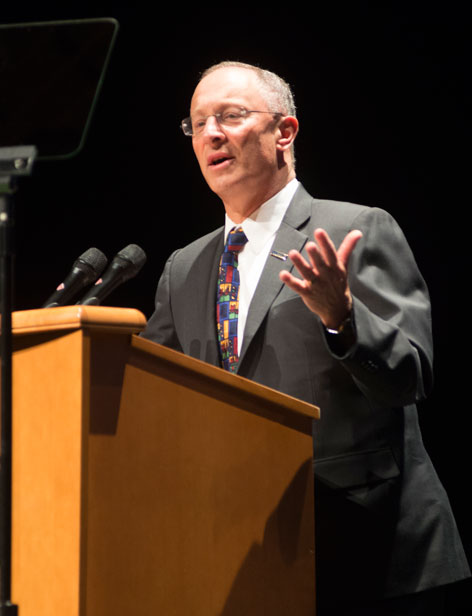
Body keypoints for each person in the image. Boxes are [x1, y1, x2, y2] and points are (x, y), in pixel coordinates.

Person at [142, 61, 470, 614]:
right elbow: (152, 399)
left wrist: (342, 317)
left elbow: (411, 377)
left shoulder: (354, 229)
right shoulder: (184, 268)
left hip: (374, 552)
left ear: (284, 132)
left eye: (231, 115)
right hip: (248, 555)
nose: (212, 134)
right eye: (198, 124)